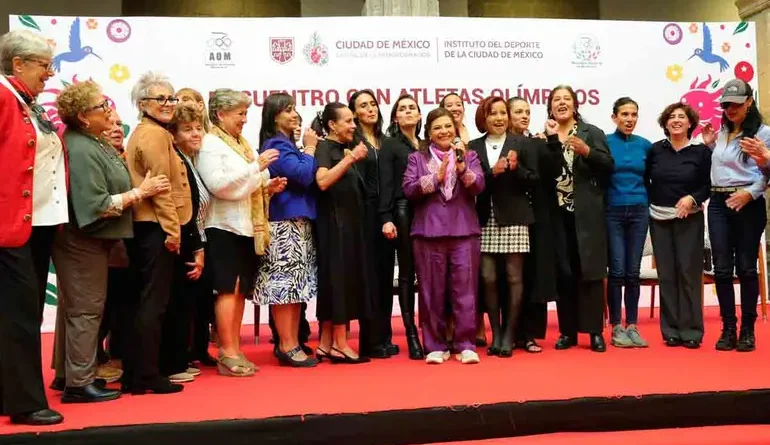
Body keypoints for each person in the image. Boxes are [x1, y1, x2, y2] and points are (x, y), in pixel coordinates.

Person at [52, 80, 170, 403]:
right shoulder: (80, 147)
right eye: (101, 106)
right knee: (86, 310)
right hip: (83, 240)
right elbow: (97, 205)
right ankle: (79, 384)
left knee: (85, 309)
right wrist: (140, 193)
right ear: (83, 116)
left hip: (95, 240)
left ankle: (74, 375)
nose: (108, 110)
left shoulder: (91, 141)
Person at [0, 29, 64, 426]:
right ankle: (24, 402)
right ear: (18, 63)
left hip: (37, 222)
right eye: (44, 65)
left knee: (23, 311)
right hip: (9, 223)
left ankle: (11, 394)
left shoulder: (26, 101)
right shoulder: (3, 96)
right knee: (19, 314)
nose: (50, 73)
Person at [197, 88, 285, 376]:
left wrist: (266, 187)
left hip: (246, 227)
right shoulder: (211, 143)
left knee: (238, 292)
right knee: (227, 290)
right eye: (240, 113)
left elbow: (250, 182)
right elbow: (219, 185)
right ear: (220, 114)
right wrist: (255, 168)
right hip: (223, 227)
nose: (245, 119)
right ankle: (226, 350)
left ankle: (235, 348)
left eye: (246, 113)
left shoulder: (241, 143)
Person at [123, 71, 190, 394]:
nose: (168, 103)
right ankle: (146, 374)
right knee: (153, 302)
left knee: (148, 300)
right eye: (159, 98)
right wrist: (172, 231)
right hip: (155, 227)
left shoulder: (153, 132)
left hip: (150, 226)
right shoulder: (153, 135)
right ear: (142, 103)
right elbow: (161, 187)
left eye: (171, 98)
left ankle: (139, 374)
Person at [403, 107, 485, 365]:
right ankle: (435, 345)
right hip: (428, 233)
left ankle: (466, 344)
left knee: (466, 291)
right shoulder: (417, 158)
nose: (444, 131)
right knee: (431, 292)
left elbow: (479, 186)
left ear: (456, 129)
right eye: (437, 127)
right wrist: (434, 178)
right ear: (429, 132)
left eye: (448, 126)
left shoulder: (469, 156)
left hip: (464, 232)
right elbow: (409, 189)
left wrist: (462, 169)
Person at [702, 79, 770, 352]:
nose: (730, 109)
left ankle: (748, 329)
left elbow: (766, 173)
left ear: (749, 102)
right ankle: (728, 327)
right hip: (718, 202)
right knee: (721, 268)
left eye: (736, 104)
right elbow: (724, 166)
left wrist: (750, 193)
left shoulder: (763, 133)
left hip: (747, 203)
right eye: (726, 104)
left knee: (746, 267)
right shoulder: (722, 132)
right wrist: (710, 146)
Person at [547, 85, 614, 353]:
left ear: (575, 105)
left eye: (566, 99)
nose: (561, 103)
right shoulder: (546, 135)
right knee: (564, 272)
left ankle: (594, 332)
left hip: (587, 213)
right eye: (556, 100)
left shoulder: (591, 132)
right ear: (550, 107)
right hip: (557, 214)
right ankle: (567, 332)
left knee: (591, 272)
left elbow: (608, 166)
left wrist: (587, 151)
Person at [254, 93, 319, 367]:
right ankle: (287, 344)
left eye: (294, 109)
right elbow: (302, 176)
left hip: (297, 223)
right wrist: (310, 148)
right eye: (288, 110)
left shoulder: (288, 144)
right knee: (283, 288)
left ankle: (290, 342)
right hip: (283, 225)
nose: (294, 114)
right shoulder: (276, 145)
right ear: (274, 116)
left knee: (295, 288)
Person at [469, 96, 536, 357]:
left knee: (514, 277)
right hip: (484, 218)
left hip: (515, 218)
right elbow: (472, 183)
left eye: (502, 113)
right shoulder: (474, 146)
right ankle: (495, 333)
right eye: (493, 114)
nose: (499, 118)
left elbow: (534, 181)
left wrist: (516, 169)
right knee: (487, 278)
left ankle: (509, 333)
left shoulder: (523, 143)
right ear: (483, 118)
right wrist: (492, 173)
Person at [646, 102, 711, 349]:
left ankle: (691, 330)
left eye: (681, 117)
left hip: (689, 219)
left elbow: (708, 185)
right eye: (671, 117)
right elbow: (646, 181)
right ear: (665, 123)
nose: (676, 120)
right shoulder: (655, 150)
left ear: (690, 123)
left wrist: (692, 198)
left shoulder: (701, 152)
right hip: (659, 219)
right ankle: (671, 330)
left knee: (688, 273)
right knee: (667, 275)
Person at [311, 102, 372, 364]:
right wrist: (350, 159)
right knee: (338, 281)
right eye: (347, 121)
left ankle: (326, 342)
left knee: (339, 280)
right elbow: (322, 181)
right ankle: (340, 343)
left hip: (348, 225)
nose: (353, 126)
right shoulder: (326, 147)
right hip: (335, 226)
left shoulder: (341, 148)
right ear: (332, 125)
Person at [159, 103, 209, 383]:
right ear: (173, 134)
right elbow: (184, 207)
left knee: (184, 304)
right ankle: (171, 364)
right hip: (181, 239)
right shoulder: (176, 159)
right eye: (187, 129)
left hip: (192, 237)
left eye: (198, 128)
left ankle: (180, 358)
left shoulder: (190, 159)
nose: (195, 134)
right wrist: (197, 247)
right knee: (176, 303)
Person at [379, 94, 424, 360]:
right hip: (403, 211)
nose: (408, 111)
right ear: (395, 117)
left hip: (429, 212)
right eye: (402, 109)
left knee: (428, 273)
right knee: (407, 274)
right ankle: (411, 334)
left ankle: (433, 332)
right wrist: (386, 217)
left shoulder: (427, 143)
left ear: (419, 115)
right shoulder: (390, 145)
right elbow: (385, 183)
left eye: (412, 108)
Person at [605, 97, 652, 348]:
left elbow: (652, 179)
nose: (629, 119)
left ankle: (632, 325)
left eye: (634, 114)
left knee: (633, 273)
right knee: (617, 272)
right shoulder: (605, 142)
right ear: (614, 117)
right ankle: (616, 326)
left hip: (639, 212)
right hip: (612, 211)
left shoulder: (645, 145)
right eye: (624, 114)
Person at [349, 89, 391, 358]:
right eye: (363, 105)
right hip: (363, 213)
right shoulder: (353, 141)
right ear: (354, 113)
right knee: (369, 277)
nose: (370, 109)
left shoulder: (386, 140)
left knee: (385, 274)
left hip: (385, 212)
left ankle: (385, 336)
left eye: (373, 104)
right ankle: (370, 341)